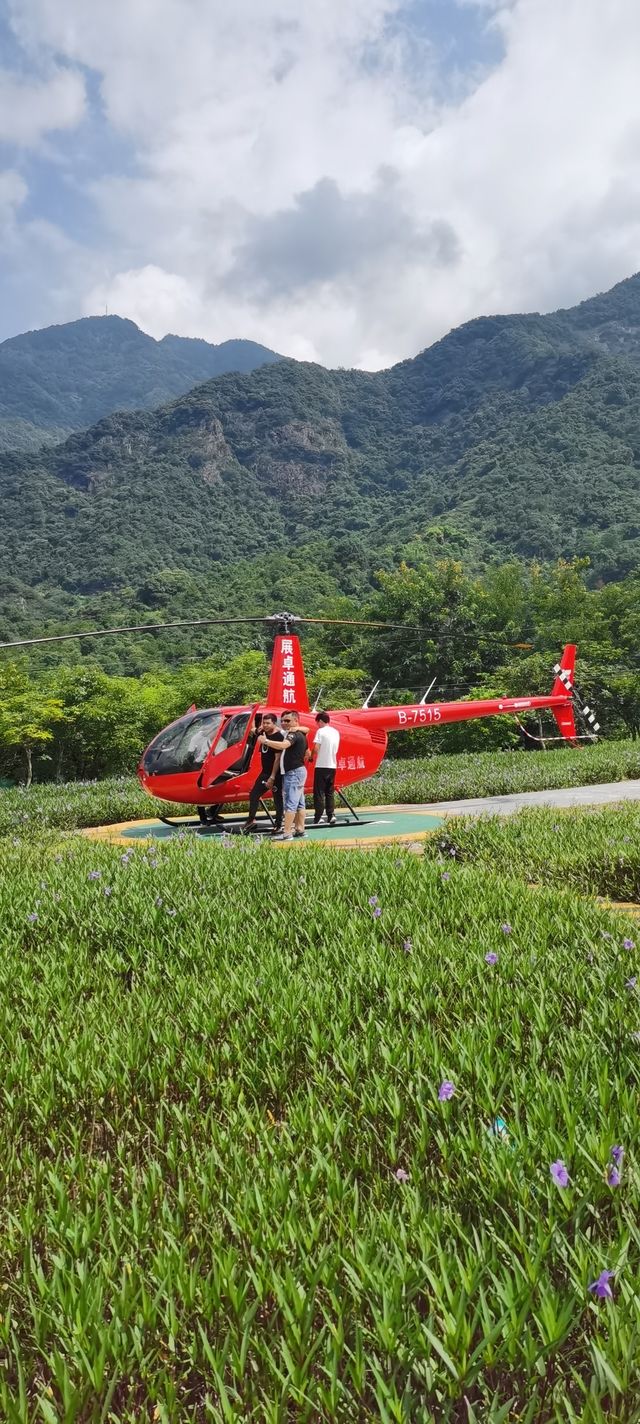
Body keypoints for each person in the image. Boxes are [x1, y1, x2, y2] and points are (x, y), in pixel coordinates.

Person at [259, 709, 308, 842]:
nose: (284, 723)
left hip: (293, 772)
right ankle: (300, 829)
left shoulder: (293, 735)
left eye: (288, 720)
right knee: (299, 803)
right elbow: (307, 751)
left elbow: (283, 745)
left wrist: (266, 742)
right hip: (298, 770)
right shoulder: (299, 733)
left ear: (296, 721)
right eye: (283, 721)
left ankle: (287, 833)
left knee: (291, 803)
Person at [242, 712, 284, 832]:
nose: (265, 725)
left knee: (277, 798)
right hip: (265, 772)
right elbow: (252, 730)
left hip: (275, 774)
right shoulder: (263, 733)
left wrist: (272, 777)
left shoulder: (278, 737)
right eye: (264, 723)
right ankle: (251, 821)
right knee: (254, 794)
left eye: (268, 723)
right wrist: (251, 713)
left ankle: (278, 824)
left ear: (274, 724)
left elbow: (277, 759)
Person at [311, 711, 340, 825]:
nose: (317, 725)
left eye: (317, 723)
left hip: (321, 765)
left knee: (318, 792)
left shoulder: (320, 731)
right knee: (329, 792)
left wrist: (310, 756)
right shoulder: (335, 732)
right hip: (332, 765)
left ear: (321, 721)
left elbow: (316, 748)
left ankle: (318, 817)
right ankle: (331, 815)